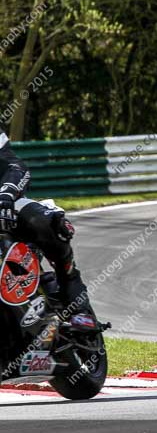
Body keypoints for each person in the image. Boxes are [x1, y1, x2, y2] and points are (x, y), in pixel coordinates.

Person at [0, 130, 96, 327]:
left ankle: (74, 297)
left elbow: (17, 167)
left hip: (5, 205)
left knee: (44, 222)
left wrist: (5, 195)